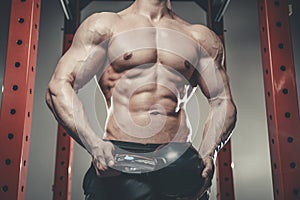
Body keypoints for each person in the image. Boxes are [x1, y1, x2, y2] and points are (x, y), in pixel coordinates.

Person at [46, 0, 237, 199]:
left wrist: (208, 152)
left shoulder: (200, 37)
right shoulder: (105, 26)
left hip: (179, 160)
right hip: (120, 156)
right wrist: (94, 144)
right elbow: (58, 86)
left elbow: (222, 100)